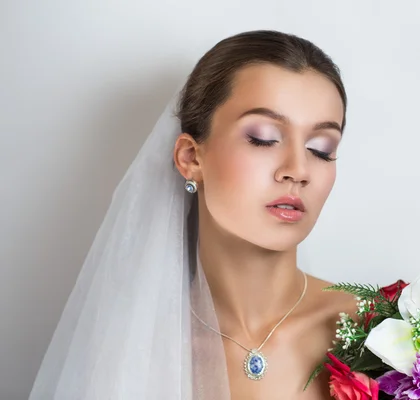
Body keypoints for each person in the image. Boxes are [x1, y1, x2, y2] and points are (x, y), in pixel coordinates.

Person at [29, 30, 356, 399]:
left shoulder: (386, 332)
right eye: (264, 138)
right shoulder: (135, 348)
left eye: (321, 148)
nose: (298, 169)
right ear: (191, 158)